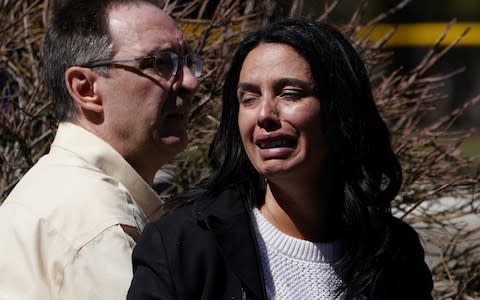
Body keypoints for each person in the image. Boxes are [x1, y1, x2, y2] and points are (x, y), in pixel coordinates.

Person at [128, 19, 433, 300]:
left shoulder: (393, 253)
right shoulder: (183, 245)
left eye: (290, 94)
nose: (264, 115)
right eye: (248, 99)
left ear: (340, 111)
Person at [0, 0, 200, 298]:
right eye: (162, 63)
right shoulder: (99, 225)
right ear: (85, 89)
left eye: (187, 61)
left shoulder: (57, 192)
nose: (190, 82)